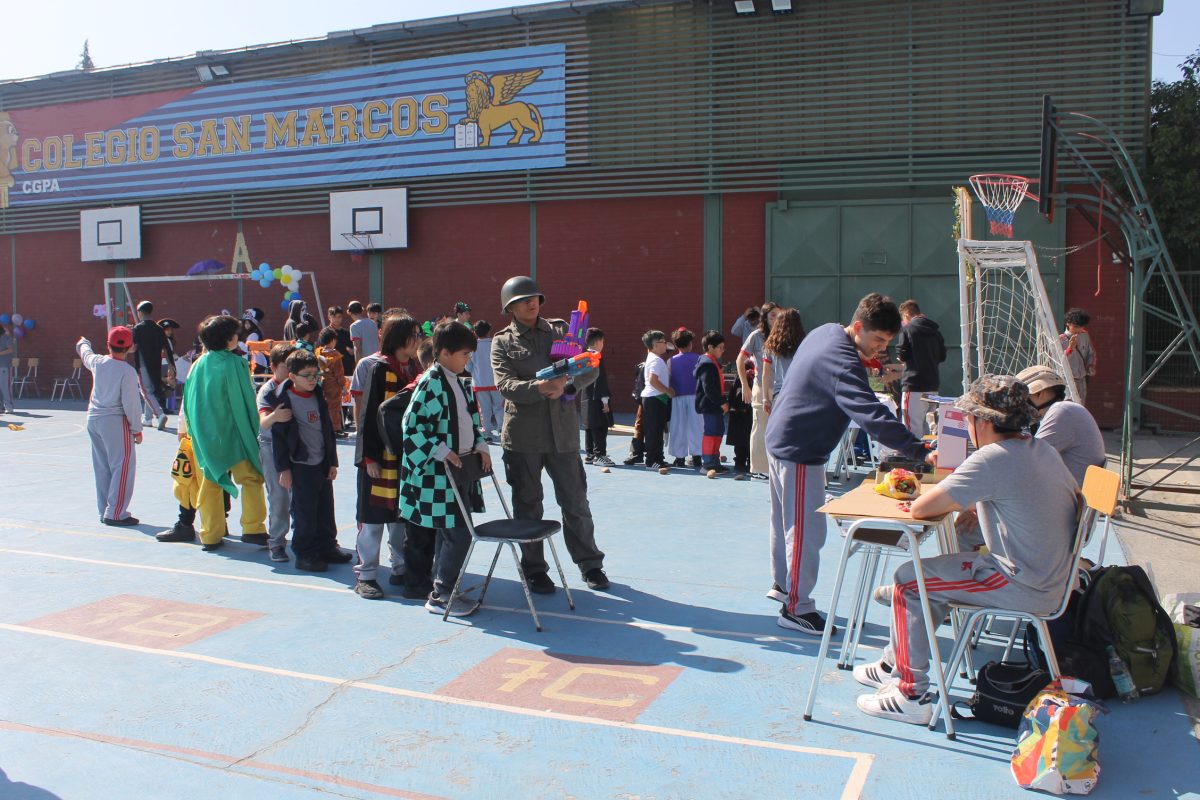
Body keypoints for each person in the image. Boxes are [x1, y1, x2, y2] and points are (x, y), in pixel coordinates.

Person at [854, 375, 1079, 725]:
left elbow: (921, 508)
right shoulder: (1039, 449)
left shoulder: (993, 458)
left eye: (969, 417)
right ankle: (895, 664)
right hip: (1049, 580)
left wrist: (966, 500)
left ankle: (910, 694)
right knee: (935, 577)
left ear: (984, 422)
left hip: (1022, 586)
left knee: (908, 581)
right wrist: (975, 505)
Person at [765, 293, 934, 635]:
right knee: (805, 532)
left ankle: (784, 586)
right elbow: (869, 413)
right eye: (877, 340)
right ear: (858, 327)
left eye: (886, 342)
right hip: (799, 448)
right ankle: (796, 607)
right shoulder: (843, 361)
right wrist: (920, 450)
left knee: (785, 522)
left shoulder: (827, 331)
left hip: (783, 438)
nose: (879, 349)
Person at [491, 276, 610, 592]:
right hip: (523, 438)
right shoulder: (502, 342)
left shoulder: (561, 331)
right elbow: (505, 385)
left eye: (536, 298)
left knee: (576, 503)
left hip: (563, 436)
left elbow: (590, 366)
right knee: (528, 506)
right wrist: (539, 387)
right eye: (524, 299)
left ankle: (591, 565)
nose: (533, 303)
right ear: (510, 306)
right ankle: (534, 570)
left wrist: (569, 385)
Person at [398, 321, 491, 616]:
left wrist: (481, 445)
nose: (469, 360)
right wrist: (442, 451)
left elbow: (469, 420)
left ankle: (443, 586)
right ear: (445, 352)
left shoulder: (457, 379)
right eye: (465, 354)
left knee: (451, 532)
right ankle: (442, 593)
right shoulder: (432, 381)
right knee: (457, 532)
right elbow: (411, 427)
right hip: (441, 474)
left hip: (461, 468)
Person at [183, 314, 269, 551]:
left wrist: (193, 431)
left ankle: (210, 533)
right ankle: (253, 527)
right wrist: (254, 430)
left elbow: (189, 402)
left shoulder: (197, 365)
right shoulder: (236, 364)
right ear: (229, 338)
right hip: (234, 433)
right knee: (251, 478)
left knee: (211, 481)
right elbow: (245, 400)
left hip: (207, 436)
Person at [353, 315, 422, 599]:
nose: (418, 339)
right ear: (399, 338)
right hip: (378, 456)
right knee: (372, 519)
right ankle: (367, 574)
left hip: (403, 457)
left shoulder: (415, 369)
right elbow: (367, 415)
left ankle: (400, 567)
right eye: (413, 334)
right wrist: (369, 457)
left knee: (400, 517)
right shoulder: (376, 368)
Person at [272, 349, 346, 572]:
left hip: (321, 463)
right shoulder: (285, 402)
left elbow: (328, 431)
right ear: (292, 377)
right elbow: (279, 439)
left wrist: (332, 461)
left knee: (325, 508)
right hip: (301, 466)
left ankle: (327, 546)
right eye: (308, 375)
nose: (313, 380)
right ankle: (305, 553)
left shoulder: (318, 397)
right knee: (305, 512)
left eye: (316, 375)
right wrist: (284, 468)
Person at [77, 327, 143, 525]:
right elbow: (131, 403)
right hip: (114, 420)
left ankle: (105, 509)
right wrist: (136, 428)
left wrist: (82, 342)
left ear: (108, 344)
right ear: (130, 347)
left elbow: (85, 353)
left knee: (102, 467)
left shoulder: (98, 362)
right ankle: (116, 512)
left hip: (93, 418)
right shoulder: (128, 372)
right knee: (122, 466)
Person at [1018, 364, 1106, 486]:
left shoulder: (1062, 411)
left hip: (1071, 500)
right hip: (1073, 494)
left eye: (1024, 400)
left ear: (1039, 393)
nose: (1022, 407)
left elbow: (1028, 458)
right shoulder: (1067, 409)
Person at [251, 343, 297, 561]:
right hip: (271, 447)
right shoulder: (268, 390)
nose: (289, 372)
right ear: (273, 366)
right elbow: (264, 421)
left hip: (297, 446)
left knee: (302, 496)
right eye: (284, 367)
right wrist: (275, 417)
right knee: (279, 497)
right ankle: (277, 542)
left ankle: (306, 538)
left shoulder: (298, 385)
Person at [736, 301, 780, 477]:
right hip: (761, 387)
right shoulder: (756, 336)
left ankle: (777, 464)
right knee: (760, 426)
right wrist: (745, 386)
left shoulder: (783, 335)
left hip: (780, 387)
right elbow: (740, 359)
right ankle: (760, 469)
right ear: (765, 317)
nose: (776, 319)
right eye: (772, 316)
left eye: (778, 315)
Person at [895, 300, 947, 438]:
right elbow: (942, 356)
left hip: (914, 385)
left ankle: (914, 457)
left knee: (912, 426)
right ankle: (928, 457)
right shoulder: (936, 332)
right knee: (930, 426)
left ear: (906, 314)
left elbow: (902, 354)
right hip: (932, 385)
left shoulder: (908, 330)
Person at [131, 300, 175, 430]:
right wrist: (171, 366)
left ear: (139, 312)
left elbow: (133, 348)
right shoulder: (159, 329)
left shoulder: (138, 328)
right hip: (156, 364)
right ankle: (147, 419)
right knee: (151, 390)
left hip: (143, 363)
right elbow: (167, 348)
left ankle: (160, 414)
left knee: (145, 391)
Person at [760, 307, 805, 421]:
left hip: (779, 394)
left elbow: (766, 374)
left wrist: (766, 399)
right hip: (800, 393)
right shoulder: (805, 344)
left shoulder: (771, 345)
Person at [694, 330, 729, 475]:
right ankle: (708, 463)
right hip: (710, 405)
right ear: (710, 347)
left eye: (723, 347)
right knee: (711, 432)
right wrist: (722, 402)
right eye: (720, 347)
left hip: (714, 405)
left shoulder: (713, 362)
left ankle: (714, 460)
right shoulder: (707, 363)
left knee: (718, 431)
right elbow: (708, 387)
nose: (722, 350)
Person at [639, 330, 674, 472]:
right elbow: (653, 380)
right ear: (655, 345)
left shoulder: (655, 358)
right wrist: (667, 390)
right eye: (663, 342)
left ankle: (658, 458)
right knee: (653, 431)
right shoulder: (656, 360)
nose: (666, 344)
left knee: (658, 430)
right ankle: (651, 461)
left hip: (656, 399)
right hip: (654, 399)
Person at [668, 328, 703, 468]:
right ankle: (697, 457)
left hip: (678, 397)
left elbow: (668, 379)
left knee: (678, 427)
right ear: (690, 343)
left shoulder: (670, 361)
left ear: (675, 345)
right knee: (697, 426)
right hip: (695, 396)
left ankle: (680, 458)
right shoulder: (698, 358)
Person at [582, 327, 614, 467]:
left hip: (585, 397)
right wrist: (605, 401)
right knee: (601, 427)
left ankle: (590, 454)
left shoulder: (582, 356)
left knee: (589, 426)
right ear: (598, 342)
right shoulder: (597, 357)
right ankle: (600, 454)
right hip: (597, 398)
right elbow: (601, 380)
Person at [470, 320, 503, 440]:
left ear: (475, 332)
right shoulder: (495, 343)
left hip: (480, 384)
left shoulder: (472, 348)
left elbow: (468, 367)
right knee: (499, 407)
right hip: (496, 382)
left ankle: (487, 433)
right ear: (489, 331)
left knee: (484, 410)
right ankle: (501, 429)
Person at [1060, 308, 1097, 406]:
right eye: (1075, 327)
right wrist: (1070, 349)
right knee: (1069, 405)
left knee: (1081, 405)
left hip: (1082, 378)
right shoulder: (1061, 339)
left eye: (1081, 327)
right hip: (1068, 379)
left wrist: (1090, 365)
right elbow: (1059, 361)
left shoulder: (1084, 335)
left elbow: (1091, 353)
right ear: (1068, 323)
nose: (1078, 330)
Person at [317, 328, 347, 436]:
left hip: (324, 381)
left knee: (326, 405)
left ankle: (327, 427)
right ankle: (336, 429)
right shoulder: (335, 355)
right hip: (334, 383)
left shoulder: (319, 352)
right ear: (332, 340)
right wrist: (343, 386)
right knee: (335, 406)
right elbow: (339, 372)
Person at [726, 362, 752, 474]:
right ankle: (741, 462)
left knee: (746, 441)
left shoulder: (742, 380)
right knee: (742, 442)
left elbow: (731, 399)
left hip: (744, 416)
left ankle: (746, 462)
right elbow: (732, 398)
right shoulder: (739, 381)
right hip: (741, 416)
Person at [324, 305, 356, 376]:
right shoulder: (325, 333)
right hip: (332, 368)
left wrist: (352, 350)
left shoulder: (346, 333)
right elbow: (320, 351)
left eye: (339, 317)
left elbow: (353, 349)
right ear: (329, 317)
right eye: (334, 317)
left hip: (346, 368)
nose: (337, 319)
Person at [238, 308, 268, 373]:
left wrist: (238, 343)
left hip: (256, 362)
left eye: (249, 323)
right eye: (245, 323)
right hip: (251, 362)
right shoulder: (247, 333)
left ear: (253, 324)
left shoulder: (254, 334)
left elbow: (248, 348)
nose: (247, 325)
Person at [0, 322, 13, 414]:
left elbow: (10, 349)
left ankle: (9, 406)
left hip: (4, 366)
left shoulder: (6, 338)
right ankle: (1, 407)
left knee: (5, 387)